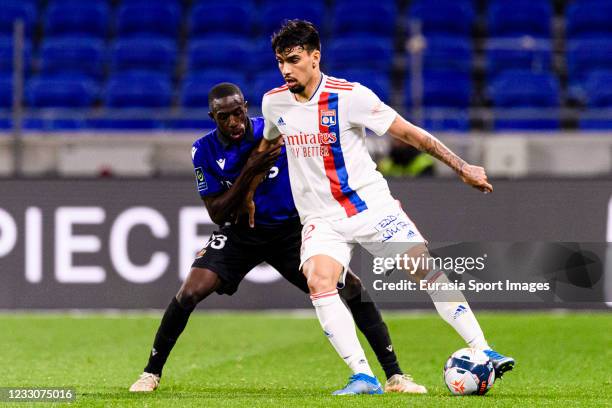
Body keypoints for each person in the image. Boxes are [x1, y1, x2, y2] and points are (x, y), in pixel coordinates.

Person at [253, 19, 515, 395]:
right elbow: (265, 147)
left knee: (426, 273)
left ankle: (483, 349)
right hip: (321, 219)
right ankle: (363, 376)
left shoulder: (350, 96)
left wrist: (463, 167)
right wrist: (245, 190)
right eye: (280, 61)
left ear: (315, 56)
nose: (285, 69)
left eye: (293, 60)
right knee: (319, 280)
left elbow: (411, 133)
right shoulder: (273, 102)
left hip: (371, 208)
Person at [129, 83, 426, 394]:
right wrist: (249, 172)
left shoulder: (272, 132)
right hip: (241, 233)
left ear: (245, 107)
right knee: (190, 291)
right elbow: (217, 212)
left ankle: (395, 376)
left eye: (238, 113)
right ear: (212, 117)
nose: (234, 122)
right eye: (224, 117)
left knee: (351, 287)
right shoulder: (203, 151)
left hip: (290, 231)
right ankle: (151, 373)